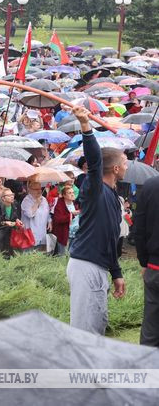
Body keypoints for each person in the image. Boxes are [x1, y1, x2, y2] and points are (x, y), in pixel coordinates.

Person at [67, 105, 127, 335]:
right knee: (85, 331)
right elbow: (94, 162)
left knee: (97, 325)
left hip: (100, 266)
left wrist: (117, 273)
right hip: (86, 266)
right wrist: (86, 126)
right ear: (114, 168)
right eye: (124, 162)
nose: (127, 165)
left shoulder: (113, 195)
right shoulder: (94, 189)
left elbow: (110, 238)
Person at [134, 175, 159, 346]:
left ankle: (148, 371)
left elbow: (139, 228)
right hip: (154, 264)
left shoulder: (150, 185)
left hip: (155, 267)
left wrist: (144, 261)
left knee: (151, 328)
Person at [0, 188, 23, 255]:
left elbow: (16, 217)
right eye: (9, 195)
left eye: (12, 194)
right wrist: (4, 222)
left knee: (10, 253)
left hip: (10, 234)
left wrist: (17, 220)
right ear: (3, 198)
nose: (12, 197)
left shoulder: (15, 205)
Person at [21, 181, 51, 251]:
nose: (39, 191)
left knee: (40, 254)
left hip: (42, 232)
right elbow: (30, 214)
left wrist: (49, 221)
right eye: (36, 189)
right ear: (30, 190)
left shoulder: (44, 199)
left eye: (40, 189)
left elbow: (47, 212)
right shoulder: (26, 200)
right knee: (29, 255)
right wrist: (37, 203)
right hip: (30, 234)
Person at [51, 185, 78, 250]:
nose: (72, 194)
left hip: (76, 235)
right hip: (65, 236)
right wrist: (71, 215)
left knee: (72, 257)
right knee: (62, 257)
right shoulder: (60, 205)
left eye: (73, 192)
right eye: (69, 193)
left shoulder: (75, 203)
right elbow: (58, 220)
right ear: (64, 195)